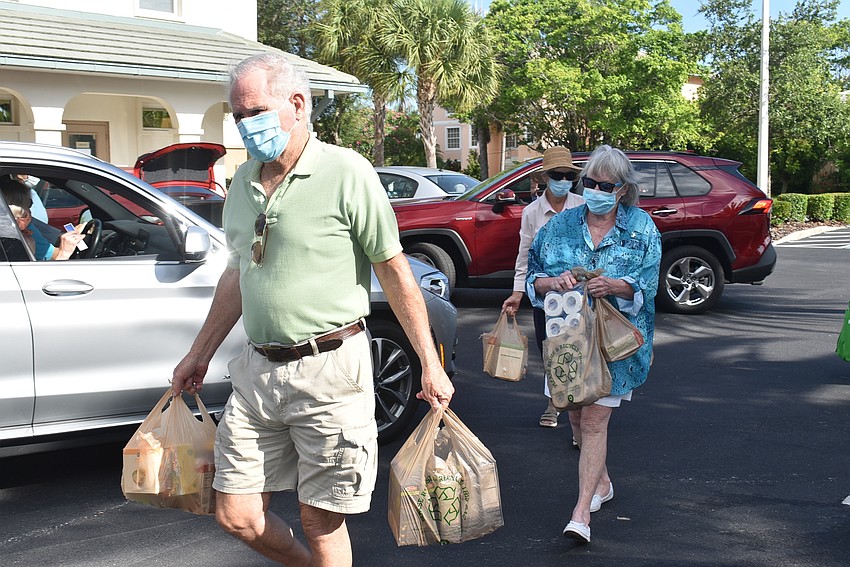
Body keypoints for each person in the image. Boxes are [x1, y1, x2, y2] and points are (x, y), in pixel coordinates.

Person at [170, 52, 454, 567]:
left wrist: (429, 363)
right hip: (257, 372)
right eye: (237, 115)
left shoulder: (347, 172)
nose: (245, 126)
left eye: (254, 111)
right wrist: (199, 353)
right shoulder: (243, 181)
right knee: (236, 514)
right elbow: (238, 271)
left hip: (330, 371)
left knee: (321, 520)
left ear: (297, 104)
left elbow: (393, 270)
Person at [526, 144, 661, 543]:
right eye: (591, 183)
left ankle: (580, 513)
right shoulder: (559, 226)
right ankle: (601, 482)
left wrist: (617, 285)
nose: (596, 190)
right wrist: (556, 281)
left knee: (594, 419)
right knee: (573, 414)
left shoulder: (641, 228)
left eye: (606, 185)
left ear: (622, 190)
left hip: (615, 344)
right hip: (567, 339)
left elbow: (649, 286)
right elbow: (535, 276)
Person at [501, 147, 584, 428]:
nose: (563, 180)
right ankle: (554, 401)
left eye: (568, 176)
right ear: (547, 177)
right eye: (558, 175)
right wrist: (517, 293)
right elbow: (524, 254)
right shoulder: (532, 212)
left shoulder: (582, 207)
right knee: (550, 349)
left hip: (579, 293)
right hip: (545, 295)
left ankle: (578, 413)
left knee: (579, 347)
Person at [0, 176, 83, 260]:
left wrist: (71, 236)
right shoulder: (11, 242)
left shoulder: (26, 230)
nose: (29, 211)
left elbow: (50, 247)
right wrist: (64, 253)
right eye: (28, 204)